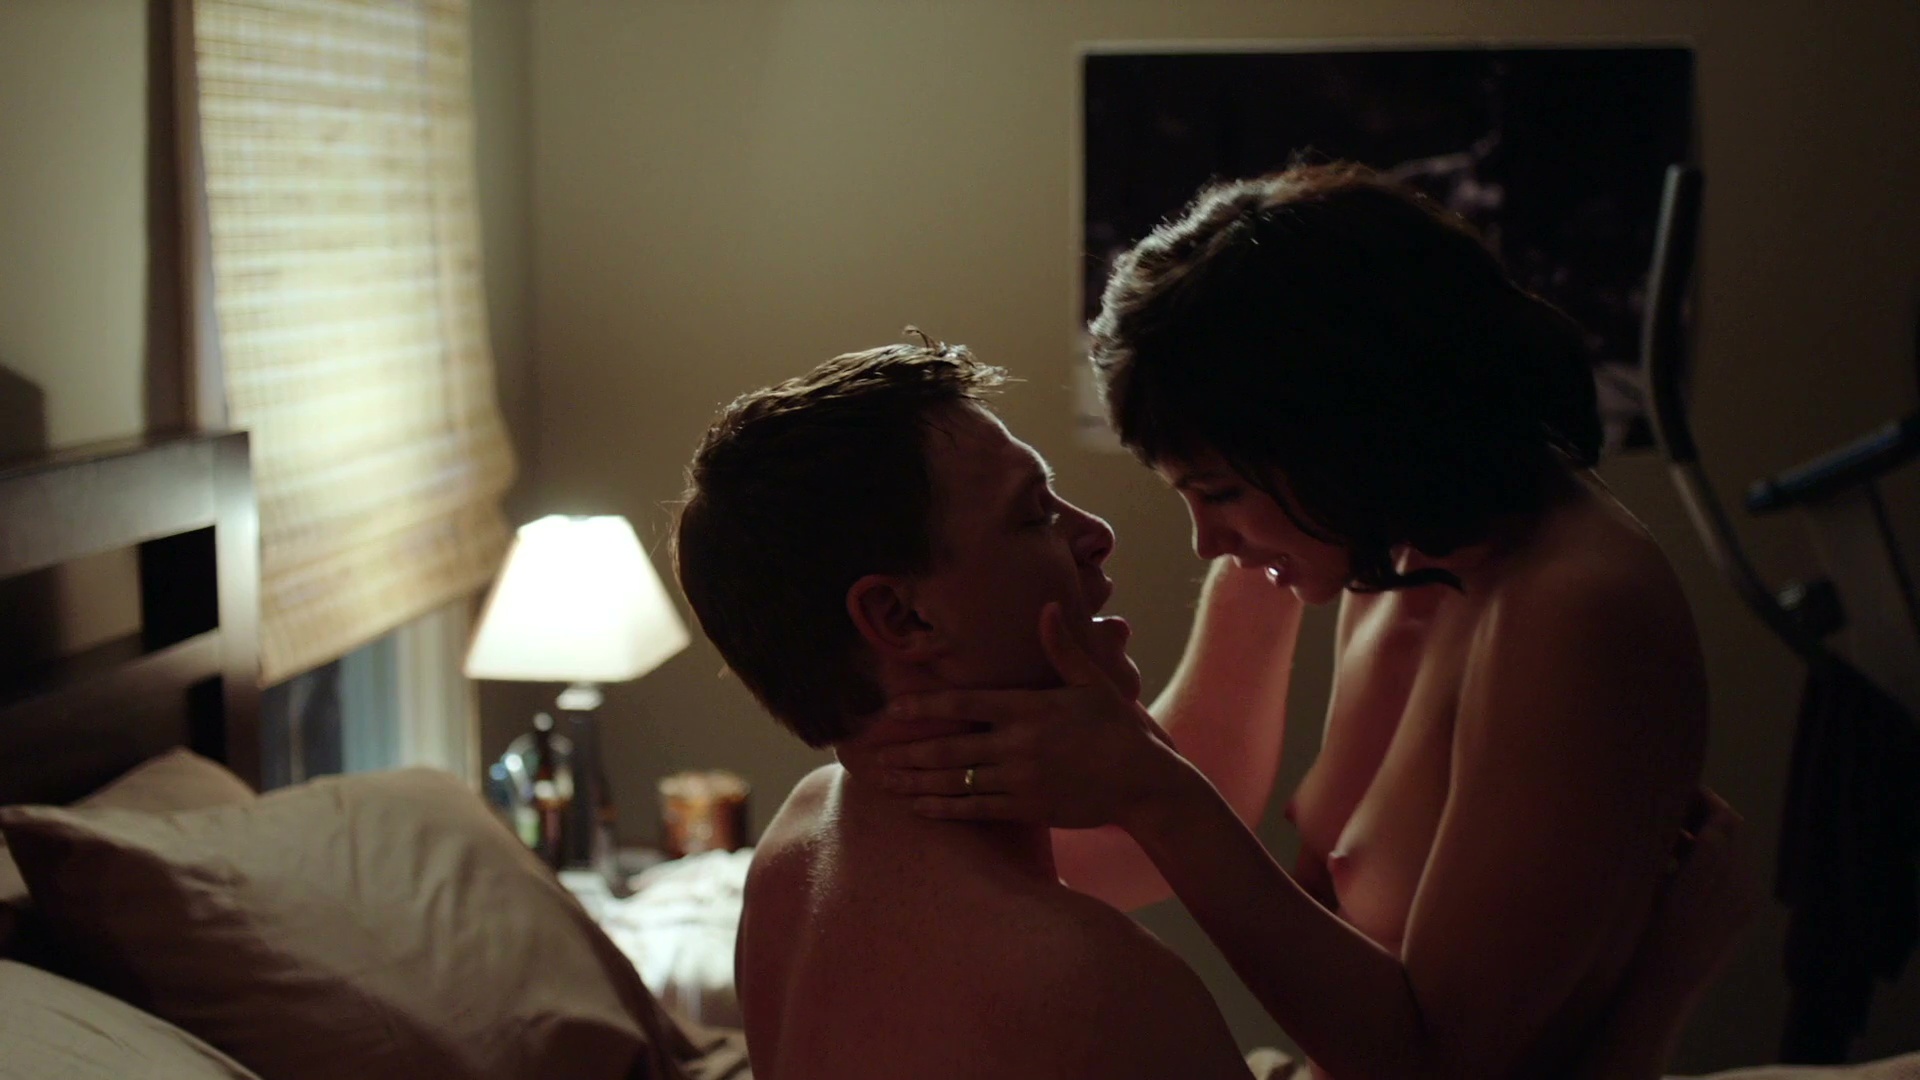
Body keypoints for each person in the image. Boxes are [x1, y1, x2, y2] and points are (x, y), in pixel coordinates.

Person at [676, 338, 1751, 1079]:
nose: (1097, 533)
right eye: (1035, 515)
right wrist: (1652, 1003)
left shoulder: (798, 844)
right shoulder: (1090, 989)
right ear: (902, 618)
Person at [878, 163, 1719, 1079]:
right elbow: (1327, 926)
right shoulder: (1388, 560)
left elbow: (1437, 1063)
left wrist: (1156, 794)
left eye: (1219, 492)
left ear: (1347, 436)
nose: (1206, 543)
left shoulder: (1576, 613)